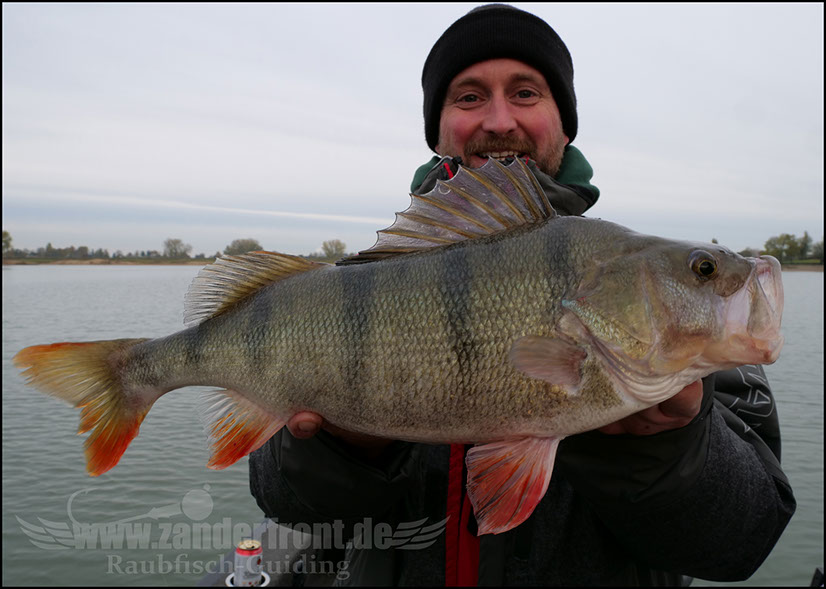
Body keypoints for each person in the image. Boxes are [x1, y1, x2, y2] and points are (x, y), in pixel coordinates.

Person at [249, 4, 795, 585]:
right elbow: (287, 503)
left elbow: (743, 542)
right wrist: (345, 447)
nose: (500, 120)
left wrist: (665, 450)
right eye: (468, 97)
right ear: (438, 130)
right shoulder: (357, 290)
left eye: (527, 92)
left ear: (564, 122)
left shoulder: (687, 348)